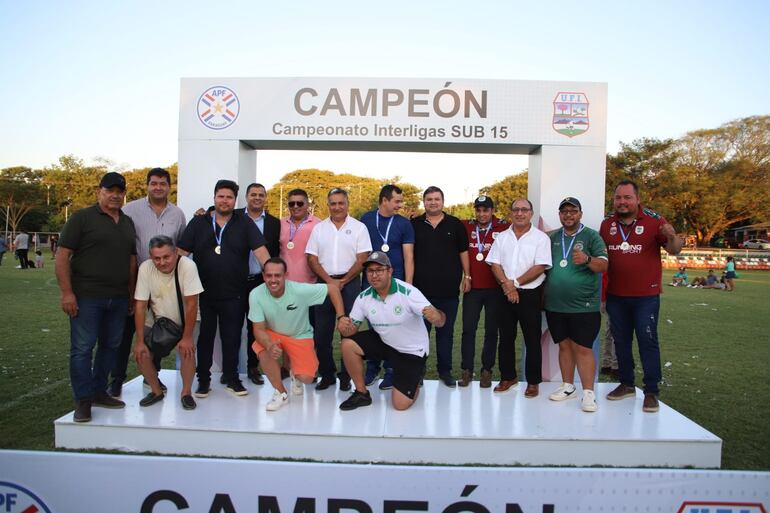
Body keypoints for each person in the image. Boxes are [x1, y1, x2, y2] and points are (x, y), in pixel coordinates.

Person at [55, 172, 137, 423]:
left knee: (111, 347)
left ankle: (100, 391)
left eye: (119, 191)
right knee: (82, 348)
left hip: (119, 298)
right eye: (109, 190)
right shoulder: (82, 218)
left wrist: (132, 294)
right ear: (99, 192)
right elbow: (62, 255)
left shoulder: (126, 222)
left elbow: (132, 260)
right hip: (87, 296)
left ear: (124, 194)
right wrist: (67, 292)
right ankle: (83, 400)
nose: (114, 195)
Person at [177, 179, 270, 398]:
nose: (225, 201)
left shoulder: (244, 223)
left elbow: (261, 253)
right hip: (203, 293)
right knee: (205, 338)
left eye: (229, 197)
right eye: (221, 196)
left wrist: (274, 276)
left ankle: (232, 378)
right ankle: (203, 381)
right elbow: (181, 253)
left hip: (235, 293)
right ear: (214, 198)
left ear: (234, 200)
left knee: (232, 338)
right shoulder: (198, 223)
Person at [600, 179, 682, 413]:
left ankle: (651, 391)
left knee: (647, 341)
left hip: (646, 296)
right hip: (616, 296)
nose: (622, 202)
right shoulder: (607, 224)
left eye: (627, 197)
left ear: (637, 199)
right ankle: (626, 384)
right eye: (618, 198)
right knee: (621, 342)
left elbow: (675, 249)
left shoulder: (655, 221)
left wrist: (673, 235)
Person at [109, 167, 188, 398]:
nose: (158, 187)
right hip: (134, 280)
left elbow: (181, 247)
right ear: (147, 185)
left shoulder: (177, 214)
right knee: (126, 334)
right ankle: (116, 380)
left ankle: (151, 377)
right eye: (154, 183)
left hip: (163, 284)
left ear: (169, 186)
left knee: (159, 334)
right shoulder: (129, 210)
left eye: (163, 183)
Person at [337, 252, 446, 411]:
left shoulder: (408, 292)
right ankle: (361, 393)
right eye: (370, 271)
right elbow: (350, 331)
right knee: (347, 344)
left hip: (411, 351)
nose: (374, 275)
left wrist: (436, 316)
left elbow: (441, 321)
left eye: (379, 270)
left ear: (390, 271)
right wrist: (344, 326)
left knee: (400, 405)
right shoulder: (363, 297)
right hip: (386, 343)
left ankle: (415, 376)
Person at [248, 257, 346, 411]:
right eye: (269, 275)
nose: (273, 280)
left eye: (277, 275)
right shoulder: (256, 294)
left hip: (299, 335)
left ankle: (294, 370)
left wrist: (341, 317)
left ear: (285, 275)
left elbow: (333, 289)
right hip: (273, 334)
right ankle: (281, 393)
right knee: (262, 349)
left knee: (307, 378)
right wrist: (269, 344)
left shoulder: (299, 290)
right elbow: (258, 329)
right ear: (263, 276)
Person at [544, 197, 608, 412]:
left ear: (580, 213)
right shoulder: (551, 237)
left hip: (584, 305)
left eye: (573, 211)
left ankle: (588, 392)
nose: (568, 215)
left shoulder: (591, 236)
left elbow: (604, 265)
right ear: (559, 214)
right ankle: (568, 386)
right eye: (564, 211)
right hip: (555, 304)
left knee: (583, 348)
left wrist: (588, 260)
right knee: (564, 346)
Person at [306, 187, 371, 391]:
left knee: (348, 333)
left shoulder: (359, 228)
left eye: (340, 203)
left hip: (350, 285)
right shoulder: (319, 228)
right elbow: (312, 258)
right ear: (328, 205)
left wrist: (343, 280)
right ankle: (327, 375)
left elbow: (363, 259)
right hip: (324, 286)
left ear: (347, 204)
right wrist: (329, 281)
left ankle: (346, 376)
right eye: (333, 203)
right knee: (322, 335)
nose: (337, 207)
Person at [487, 198, 551, 397]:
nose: (520, 213)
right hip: (505, 294)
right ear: (511, 212)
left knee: (532, 339)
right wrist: (507, 286)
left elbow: (540, 266)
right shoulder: (502, 237)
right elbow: (494, 264)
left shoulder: (541, 238)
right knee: (506, 338)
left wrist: (513, 284)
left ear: (531, 213)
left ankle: (532, 382)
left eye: (524, 210)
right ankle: (508, 377)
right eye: (516, 210)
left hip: (530, 294)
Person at [133, 236, 203, 410]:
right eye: (156, 258)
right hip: (158, 317)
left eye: (166, 257)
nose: (162, 262)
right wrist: (140, 341)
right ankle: (156, 391)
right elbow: (140, 305)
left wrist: (186, 337)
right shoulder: (145, 268)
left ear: (175, 253)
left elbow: (192, 304)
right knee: (141, 353)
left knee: (187, 351)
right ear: (150, 257)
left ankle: (186, 392)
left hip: (186, 316)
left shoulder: (187, 266)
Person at [412, 186, 470, 387]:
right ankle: (418, 373)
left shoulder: (455, 224)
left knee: (445, 334)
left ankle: (445, 372)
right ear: (424, 202)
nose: (433, 202)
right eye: (429, 199)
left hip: (448, 293)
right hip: (421, 293)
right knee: (420, 335)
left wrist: (468, 276)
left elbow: (463, 252)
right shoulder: (415, 224)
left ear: (443, 201)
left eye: (437, 199)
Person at [360, 184, 415, 389]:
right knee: (374, 327)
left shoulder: (403, 224)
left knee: (395, 327)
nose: (400, 205)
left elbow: (408, 256)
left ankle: (391, 370)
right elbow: (361, 251)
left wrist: (407, 286)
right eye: (397, 201)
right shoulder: (366, 219)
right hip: (371, 283)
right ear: (385, 200)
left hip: (395, 283)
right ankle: (373, 368)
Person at [459, 195, 508, 388]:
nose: (481, 214)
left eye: (485, 210)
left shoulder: (503, 226)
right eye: (478, 210)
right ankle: (466, 371)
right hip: (472, 288)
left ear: (492, 210)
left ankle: (487, 370)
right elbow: (443, 220)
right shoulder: (466, 226)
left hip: (495, 289)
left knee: (491, 331)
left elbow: (525, 229)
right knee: (468, 330)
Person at [240, 183, 281, 386]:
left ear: (266, 198)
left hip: (260, 281)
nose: (257, 198)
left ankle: (252, 366)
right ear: (246, 197)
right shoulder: (235, 216)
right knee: (232, 326)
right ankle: (230, 370)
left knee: (255, 326)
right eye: (253, 194)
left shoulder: (274, 223)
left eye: (261, 195)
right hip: (237, 281)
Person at [279, 189, 321, 284]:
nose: (295, 206)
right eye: (291, 204)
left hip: (310, 284)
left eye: (300, 203)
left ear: (308, 205)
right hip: (284, 284)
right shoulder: (280, 223)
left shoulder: (318, 225)